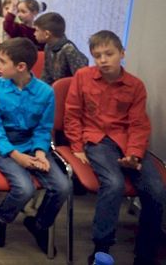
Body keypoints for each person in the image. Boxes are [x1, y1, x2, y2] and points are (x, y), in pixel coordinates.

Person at [63, 30, 165, 265]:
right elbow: (72, 114)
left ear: (122, 53)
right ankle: (102, 248)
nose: (103, 60)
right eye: (97, 55)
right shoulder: (83, 76)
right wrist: (77, 145)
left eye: (109, 54)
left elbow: (139, 124)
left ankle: (146, 252)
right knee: (114, 183)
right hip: (97, 139)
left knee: (156, 189)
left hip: (128, 140)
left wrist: (134, 154)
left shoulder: (135, 85)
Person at [0, 38, 69, 255]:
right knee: (24, 188)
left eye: (2, 61)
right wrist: (16, 156)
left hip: (33, 143)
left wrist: (40, 153)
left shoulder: (45, 92)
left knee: (62, 187)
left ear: (21, 67)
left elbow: (43, 128)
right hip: (5, 145)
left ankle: (39, 224)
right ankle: (0, 217)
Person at [33, 12, 88, 85]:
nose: (34, 34)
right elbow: (46, 74)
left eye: (37, 30)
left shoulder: (69, 50)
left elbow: (81, 79)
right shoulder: (48, 46)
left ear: (47, 34)